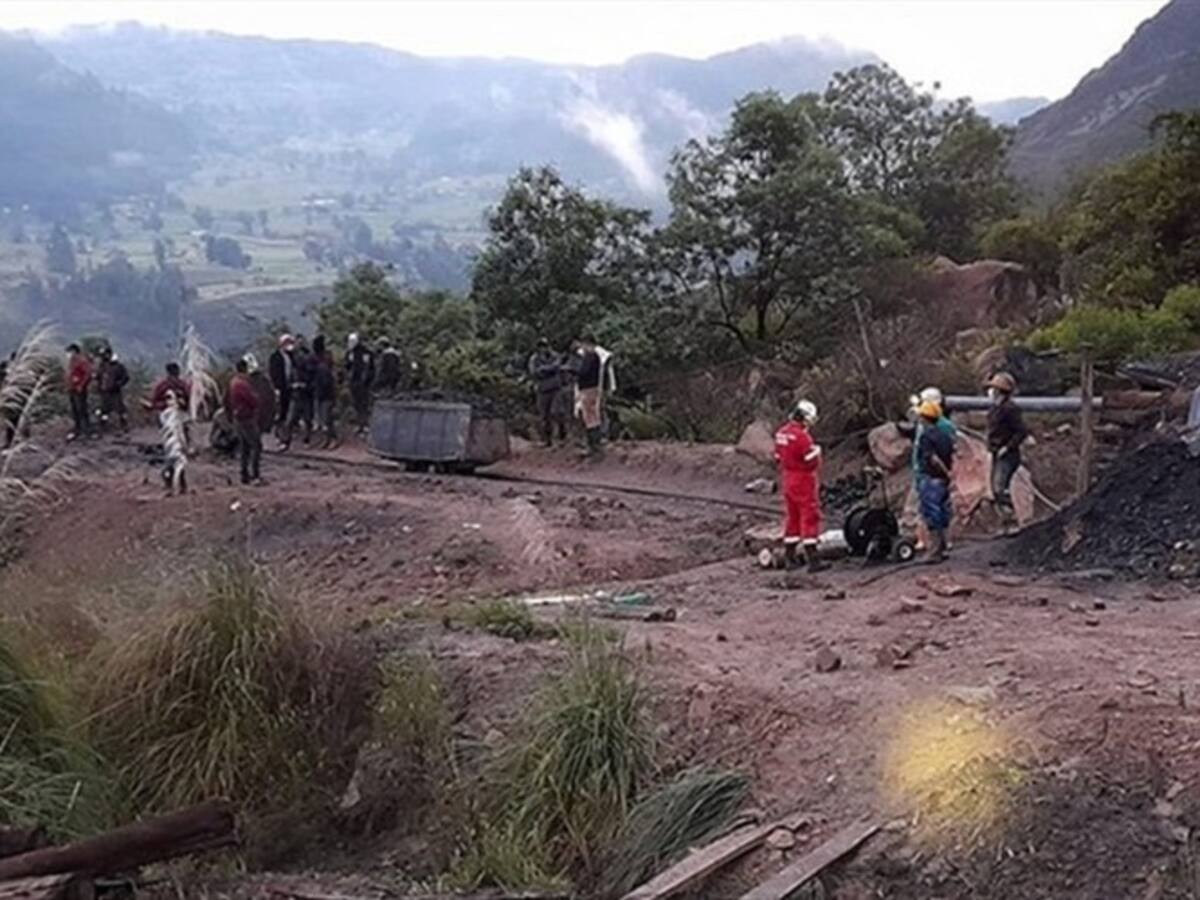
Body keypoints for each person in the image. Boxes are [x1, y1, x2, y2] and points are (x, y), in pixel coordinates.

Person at [774, 399, 828, 573]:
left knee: (793, 516)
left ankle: (790, 557)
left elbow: (777, 457)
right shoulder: (803, 437)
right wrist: (817, 452)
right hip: (803, 479)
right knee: (809, 515)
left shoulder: (781, 433)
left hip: (787, 478)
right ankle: (813, 560)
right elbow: (810, 461)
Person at [986, 372, 1028, 532]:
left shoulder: (1011, 409)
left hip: (1007, 455)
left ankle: (1012, 522)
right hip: (997, 452)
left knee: (1000, 488)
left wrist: (1008, 447)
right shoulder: (995, 408)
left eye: (994, 388)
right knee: (995, 489)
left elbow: (1021, 431)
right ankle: (1005, 524)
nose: (991, 391)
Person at [915, 400, 955, 563]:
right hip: (943, 480)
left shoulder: (926, 437)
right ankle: (943, 547)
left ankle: (935, 550)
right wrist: (948, 474)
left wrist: (945, 471)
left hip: (932, 478)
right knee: (943, 512)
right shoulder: (945, 436)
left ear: (924, 418)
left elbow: (932, 458)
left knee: (932, 513)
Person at [227, 357, 262, 485]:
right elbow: (252, 400)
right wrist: (256, 398)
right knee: (256, 445)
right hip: (246, 417)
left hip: (238, 417)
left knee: (245, 447)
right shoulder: (242, 384)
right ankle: (255, 474)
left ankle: (244, 474)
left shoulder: (233, 382)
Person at [528, 338, 567, 447]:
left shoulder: (555, 356)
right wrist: (549, 370)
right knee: (544, 416)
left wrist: (544, 369)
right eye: (541, 346)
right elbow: (535, 372)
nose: (543, 348)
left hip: (555, 388)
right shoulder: (534, 359)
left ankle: (562, 436)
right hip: (542, 389)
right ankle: (547, 439)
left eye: (545, 346)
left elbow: (557, 366)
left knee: (558, 412)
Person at [282, 336, 315, 449]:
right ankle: (286, 441)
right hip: (296, 396)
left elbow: (312, 380)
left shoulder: (309, 364)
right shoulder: (294, 369)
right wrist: (293, 385)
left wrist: (305, 385)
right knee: (290, 420)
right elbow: (289, 381)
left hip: (306, 395)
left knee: (307, 420)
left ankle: (306, 440)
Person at [575, 334, 605, 457]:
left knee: (589, 417)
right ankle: (595, 444)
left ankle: (593, 446)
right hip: (592, 388)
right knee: (593, 416)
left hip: (588, 389)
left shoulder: (590, 356)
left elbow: (583, 372)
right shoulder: (594, 356)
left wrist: (574, 371)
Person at [311, 335, 339, 449]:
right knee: (323, 419)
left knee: (326, 419)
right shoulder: (320, 358)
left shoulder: (323, 360)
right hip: (321, 392)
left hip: (325, 393)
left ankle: (332, 439)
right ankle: (325, 439)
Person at [345, 332, 375, 435]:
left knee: (364, 404)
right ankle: (359, 424)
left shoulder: (366, 353)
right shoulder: (350, 353)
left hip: (364, 383)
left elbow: (370, 368)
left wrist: (367, 379)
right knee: (356, 403)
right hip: (354, 381)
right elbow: (347, 366)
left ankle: (365, 424)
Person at [95, 347, 130, 434]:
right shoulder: (102, 366)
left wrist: (118, 384)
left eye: (104, 355)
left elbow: (126, 377)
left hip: (115, 392)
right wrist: (97, 380)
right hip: (104, 391)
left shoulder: (118, 366)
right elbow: (99, 376)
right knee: (104, 409)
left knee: (120, 409)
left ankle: (124, 425)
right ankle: (103, 426)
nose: (103, 357)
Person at [65, 343, 93, 441]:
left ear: (74, 352)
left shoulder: (81, 361)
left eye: (69, 352)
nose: (68, 354)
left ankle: (86, 430)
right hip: (72, 389)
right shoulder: (71, 362)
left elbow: (88, 374)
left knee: (81, 409)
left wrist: (81, 385)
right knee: (75, 410)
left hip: (79, 390)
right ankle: (78, 428)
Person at [268, 334, 295, 435]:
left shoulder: (291, 356)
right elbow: (273, 372)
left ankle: (285, 429)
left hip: (289, 386)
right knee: (280, 409)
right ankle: (278, 429)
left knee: (287, 408)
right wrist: (276, 386)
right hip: (280, 386)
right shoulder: (275, 356)